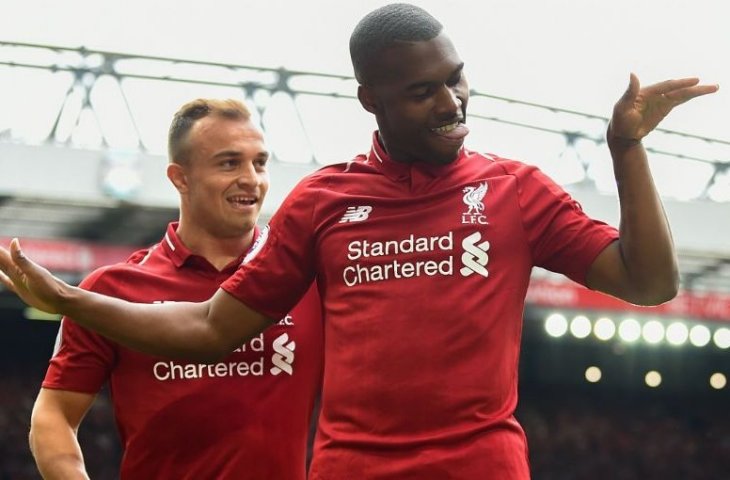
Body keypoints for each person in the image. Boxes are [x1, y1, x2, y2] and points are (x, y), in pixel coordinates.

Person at [0, 3, 719, 478]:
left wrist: (626, 149)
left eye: (456, 79)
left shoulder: (515, 191)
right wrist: (71, 301)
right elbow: (212, 326)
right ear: (371, 100)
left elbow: (649, 282)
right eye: (422, 91)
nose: (451, 103)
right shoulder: (322, 203)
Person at [24, 98, 323, 479]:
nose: (251, 178)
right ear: (180, 177)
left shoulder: (305, 280)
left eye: (259, 162)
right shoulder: (109, 290)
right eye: (229, 163)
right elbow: (54, 415)